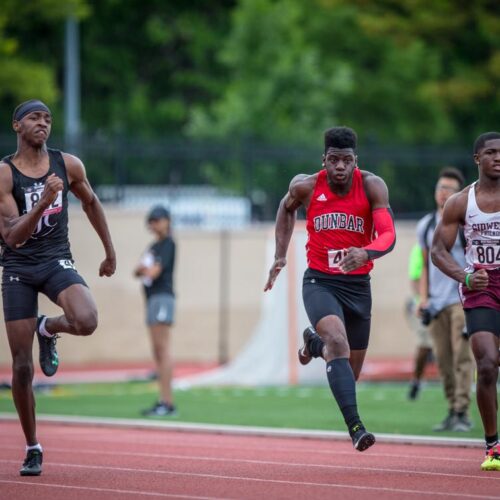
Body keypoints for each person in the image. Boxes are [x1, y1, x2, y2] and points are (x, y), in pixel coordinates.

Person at [0, 100, 116, 476]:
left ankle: (47, 327)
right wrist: (43, 202)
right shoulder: (4, 174)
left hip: (54, 259)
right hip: (18, 266)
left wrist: (109, 251)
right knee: (21, 367)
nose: (43, 124)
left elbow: (92, 202)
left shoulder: (67, 165)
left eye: (48, 119)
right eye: (34, 118)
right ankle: (33, 446)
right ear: (17, 125)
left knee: (87, 319)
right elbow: (12, 238)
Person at [264, 126, 396, 451]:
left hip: (358, 287)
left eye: (346, 160)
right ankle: (357, 429)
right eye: (333, 160)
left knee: (349, 374)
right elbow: (285, 208)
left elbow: (388, 235)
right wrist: (280, 255)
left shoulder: (372, 186)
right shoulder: (306, 186)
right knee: (337, 342)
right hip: (320, 282)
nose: (339, 167)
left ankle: (313, 344)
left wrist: (366, 252)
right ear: (324, 159)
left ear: (356, 161)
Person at [431, 131, 500, 470]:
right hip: (481, 286)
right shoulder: (460, 202)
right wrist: (466, 277)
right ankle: (493, 447)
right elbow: (437, 250)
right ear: (477, 159)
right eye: (491, 153)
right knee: (487, 364)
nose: (498, 158)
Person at [417, 167, 473, 432]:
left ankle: (463, 411)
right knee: (442, 360)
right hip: (436, 302)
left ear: (459, 194)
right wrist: (423, 297)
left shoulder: (466, 222)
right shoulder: (426, 225)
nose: (443, 193)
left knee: (462, 356)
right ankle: (452, 408)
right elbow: (425, 265)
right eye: (440, 188)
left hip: (461, 299)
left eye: (449, 189)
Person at [134, 205, 177, 417]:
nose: (155, 224)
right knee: (157, 351)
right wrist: (143, 269)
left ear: (167, 221)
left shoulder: (168, 244)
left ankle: (167, 402)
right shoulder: (153, 247)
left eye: (158, 220)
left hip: (162, 298)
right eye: (152, 220)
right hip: (152, 299)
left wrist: (144, 269)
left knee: (163, 349)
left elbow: (152, 271)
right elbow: (137, 270)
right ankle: (163, 400)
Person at [406, 243, 434, 400]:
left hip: (447, 302)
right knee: (425, 344)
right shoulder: (420, 248)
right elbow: (415, 278)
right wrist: (423, 301)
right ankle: (416, 380)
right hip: (426, 305)